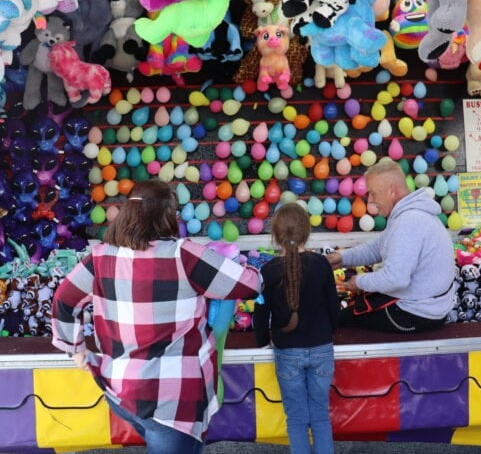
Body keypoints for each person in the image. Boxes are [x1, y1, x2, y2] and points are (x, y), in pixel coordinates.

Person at [51, 180, 261, 454]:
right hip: (174, 399)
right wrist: (252, 268)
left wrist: (75, 349)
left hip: (121, 391)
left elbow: (63, 299)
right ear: (167, 216)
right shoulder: (184, 255)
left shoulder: (100, 257)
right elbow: (249, 285)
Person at [325, 157, 456, 333]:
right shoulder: (409, 216)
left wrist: (359, 282)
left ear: (392, 191)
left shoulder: (409, 221)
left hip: (416, 313)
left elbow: (396, 279)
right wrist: (342, 258)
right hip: (425, 306)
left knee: (340, 319)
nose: (370, 201)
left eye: (374, 193)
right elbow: (377, 248)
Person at [253, 202, 339, 454]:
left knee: (297, 419)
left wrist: (262, 341)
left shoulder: (268, 271)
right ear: (307, 233)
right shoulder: (321, 264)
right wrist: (331, 332)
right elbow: (334, 307)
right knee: (320, 416)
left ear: (275, 235)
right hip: (322, 347)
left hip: (288, 352)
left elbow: (260, 313)